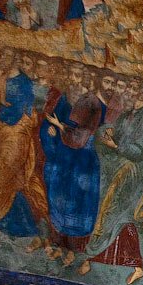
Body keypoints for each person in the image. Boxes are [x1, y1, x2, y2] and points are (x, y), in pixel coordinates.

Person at [79, 76, 143, 284]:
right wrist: (107, 133)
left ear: (141, 92)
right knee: (102, 202)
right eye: (127, 89)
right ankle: (95, 257)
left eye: (132, 89)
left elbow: (139, 150)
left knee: (112, 208)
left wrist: (116, 146)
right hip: (119, 163)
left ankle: (135, 265)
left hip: (135, 170)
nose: (127, 92)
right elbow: (115, 132)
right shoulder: (127, 113)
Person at [0, 48, 47, 247]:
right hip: (3, 135)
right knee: (11, 182)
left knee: (2, 178)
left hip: (17, 136)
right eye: (1, 56)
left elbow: (25, 113)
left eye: (6, 56)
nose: (2, 59)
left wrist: (3, 118)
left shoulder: (25, 83)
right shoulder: (2, 79)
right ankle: (26, 230)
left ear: (14, 60)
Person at [41, 61, 104, 266]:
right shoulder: (64, 98)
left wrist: (59, 126)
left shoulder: (92, 103)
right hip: (62, 158)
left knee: (78, 204)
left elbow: (80, 137)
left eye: (79, 75)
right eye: (72, 75)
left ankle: (74, 251)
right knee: (58, 199)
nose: (75, 79)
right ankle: (59, 244)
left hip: (81, 162)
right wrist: (51, 131)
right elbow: (50, 120)